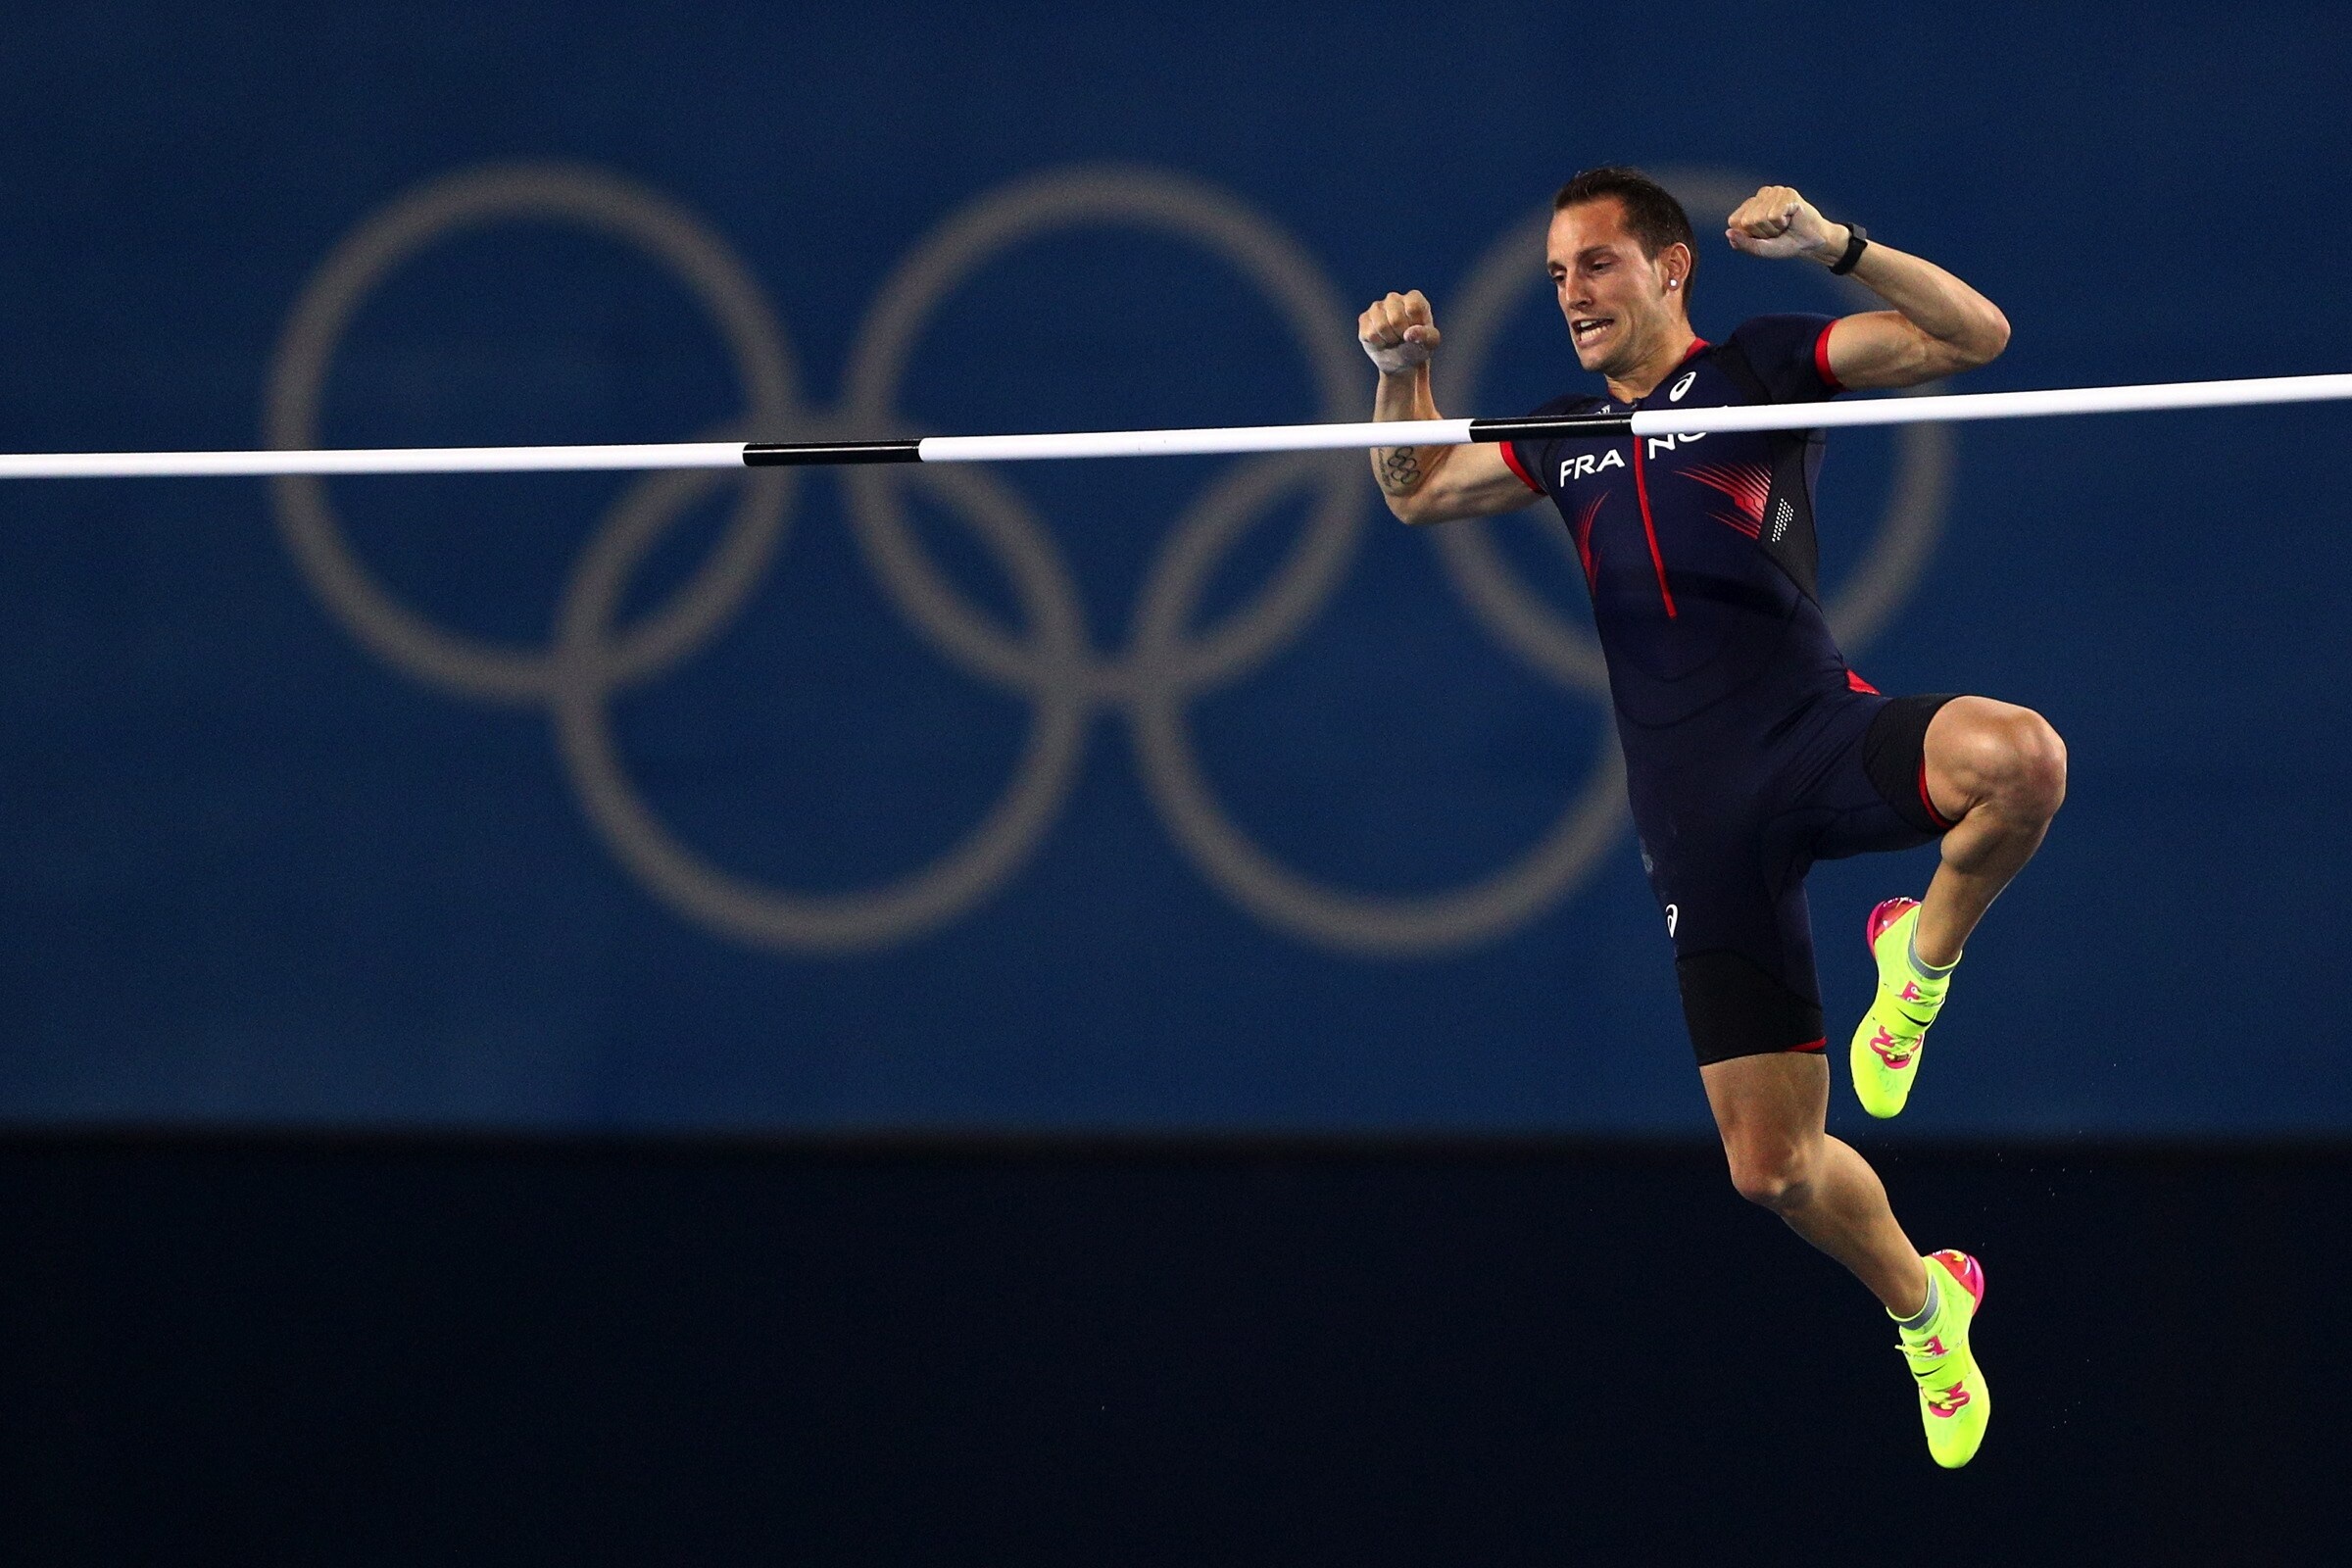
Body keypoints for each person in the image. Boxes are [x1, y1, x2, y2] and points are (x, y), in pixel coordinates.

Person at [1358, 167, 2064, 1468]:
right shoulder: (1560, 432)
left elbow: (1977, 335)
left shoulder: (1759, 369)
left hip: (1813, 740)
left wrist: (1834, 245)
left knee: (2019, 761)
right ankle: (1926, 1303)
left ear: (1669, 269)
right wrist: (1402, 370)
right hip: (1696, 815)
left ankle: (1922, 954)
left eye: (1596, 264)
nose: (1570, 291)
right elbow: (1411, 489)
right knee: (1773, 1171)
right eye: (1558, 271)